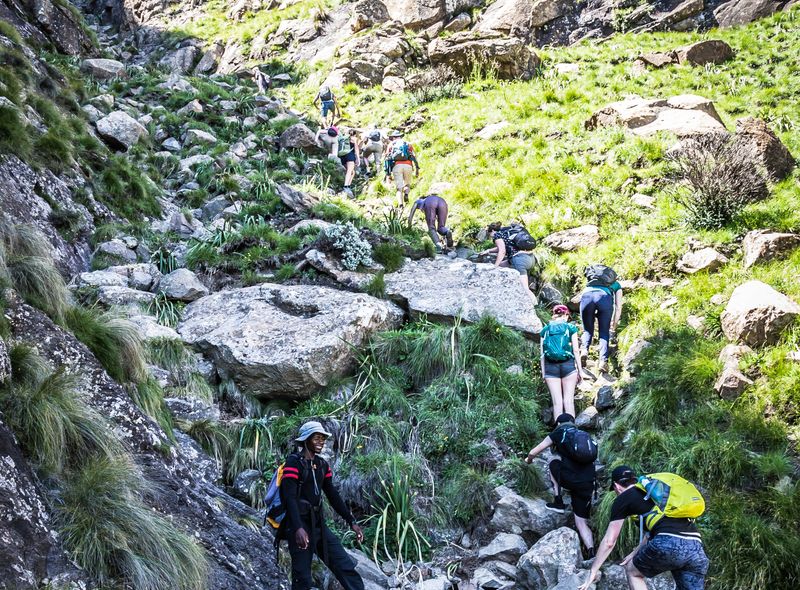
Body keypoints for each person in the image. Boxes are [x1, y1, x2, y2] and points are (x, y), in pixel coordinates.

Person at [579, 466, 709, 590]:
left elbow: (609, 541)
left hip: (669, 543)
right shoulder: (656, 494)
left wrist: (593, 570)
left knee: (633, 572)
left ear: (616, 486)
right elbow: (652, 533)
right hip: (696, 548)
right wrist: (634, 553)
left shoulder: (623, 498)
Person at [278, 421, 365, 590]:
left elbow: (333, 495)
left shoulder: (322, 465)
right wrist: (297, 529)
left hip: (318, 524)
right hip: (299, 525)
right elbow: (289, 498)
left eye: (323, 438)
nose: (321, 442)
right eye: (316, 438)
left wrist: (351, 520)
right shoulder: (293, 463)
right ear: (306, 440)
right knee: (302, 578)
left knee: (345, 566)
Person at [525, 413, 596, 559]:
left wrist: (528, 460)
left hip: (570, 479)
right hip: (588, 483)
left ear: (558, 424)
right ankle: (591, 551)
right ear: (573, 422)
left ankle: (558, 501)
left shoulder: (558, 432)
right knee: (581, 521)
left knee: (552, 461)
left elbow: (534, 451)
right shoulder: (584, 435)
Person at [539, 304, 583, 417]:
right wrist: (580, 371)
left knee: (557, 404)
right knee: (568, 402)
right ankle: (571, 432)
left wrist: (544, 373)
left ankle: (559, 431)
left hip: (550, 368)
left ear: (554, 315)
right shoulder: (570, 328)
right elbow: (576, 350)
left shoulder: (545, 330)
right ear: (566, 314)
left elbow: (542, 354)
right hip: (568, 366)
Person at [479, 222, 537, 305]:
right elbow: (502, 246)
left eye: (489, 234)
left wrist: (494, 267)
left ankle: (535, 306)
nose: (490, 237)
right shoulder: (507, 231)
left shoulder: (497, 235)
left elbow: (502, 251)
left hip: (519, 260)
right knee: (501, 266)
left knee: (524, 288)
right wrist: (488, 251)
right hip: (530, 258)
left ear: (492, 231)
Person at [579, 264, 623, 374]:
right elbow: (618, 307)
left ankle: (584, 350)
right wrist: (614, 325)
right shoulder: (616, 285)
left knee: (587, 330)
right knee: (604, 332)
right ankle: (603, 361)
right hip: (604, 297)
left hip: (587, 296)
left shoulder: (590, 283)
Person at [385, 130, 419, 204]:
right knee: (407, 184)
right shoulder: (407, 143)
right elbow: (414, 156)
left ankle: (400, 205)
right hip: (408, 165)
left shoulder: (391, 144)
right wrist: (417, 169)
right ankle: (406, 194)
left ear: (394, 137)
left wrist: (388, 174)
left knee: (399, 189)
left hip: (397, 166)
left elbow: (387, 158)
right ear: (400, 136)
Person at [337, 128, 361, 197]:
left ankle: (348, 185)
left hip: (342, 156)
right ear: (354, 134)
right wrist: (358, 159)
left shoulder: (343, 138)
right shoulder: (354, 139)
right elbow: (356, 149)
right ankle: (345, 186)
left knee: (352, 172)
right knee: (349, 171)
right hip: (350, 155)